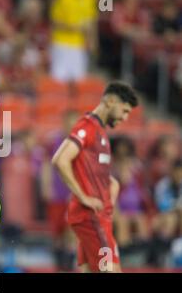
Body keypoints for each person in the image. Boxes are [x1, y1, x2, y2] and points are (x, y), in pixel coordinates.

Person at [52, 82, 139, 273]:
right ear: (110, 101)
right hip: (91, 217)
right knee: (111, 271)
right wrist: (83, 197)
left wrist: (111, 190)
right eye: (124, 111)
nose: (124, 118)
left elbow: (103, 178)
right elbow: (60, 160)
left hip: (99, 218)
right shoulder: (87, 126)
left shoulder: (101, 133)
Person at [41, 110, 79, 271]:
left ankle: (70, 260)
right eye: (69, 122)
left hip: (74, 195)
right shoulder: (54, 142)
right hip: (57, 194)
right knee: (57, 233)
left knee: (72, 228)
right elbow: (46, 166)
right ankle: (59, 262)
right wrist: (46, 186)